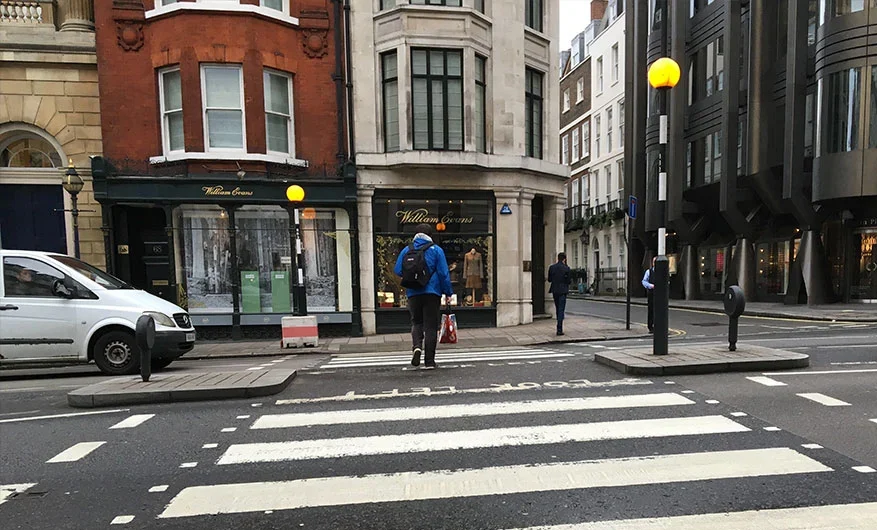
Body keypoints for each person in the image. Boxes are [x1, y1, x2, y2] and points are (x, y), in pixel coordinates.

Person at [394, 223, 454, 369]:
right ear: (430, 235)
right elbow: (443, 274)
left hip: (413, 293)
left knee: (416, 322)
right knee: (431, 326)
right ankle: (429, 361)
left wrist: (413, 277)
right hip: (432, 292)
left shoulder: (407, 249)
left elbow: (397, 270)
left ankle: (416, 347)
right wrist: (448, 293)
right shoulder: (436, 250)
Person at [547, 252, 571, 336]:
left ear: (558, 258)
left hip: (555, 290)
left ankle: (559, 325)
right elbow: (568, 281)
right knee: (561, 309)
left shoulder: (552, 267)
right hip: (563, 291)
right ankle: (559, 329)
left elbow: (549, 279)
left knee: (558, 308)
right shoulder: (566, 268)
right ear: (564, 259)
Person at [642, 256, 657, 333]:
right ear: (653, 263)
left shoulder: (663, 272)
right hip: (652, 293)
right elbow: (644, 281)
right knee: (651, 310)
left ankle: (659, 325)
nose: (655, 264)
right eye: (654, 262)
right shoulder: (649, 272)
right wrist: (651, 286)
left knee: (660, 310)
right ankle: (651, 326)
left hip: (660, 294)